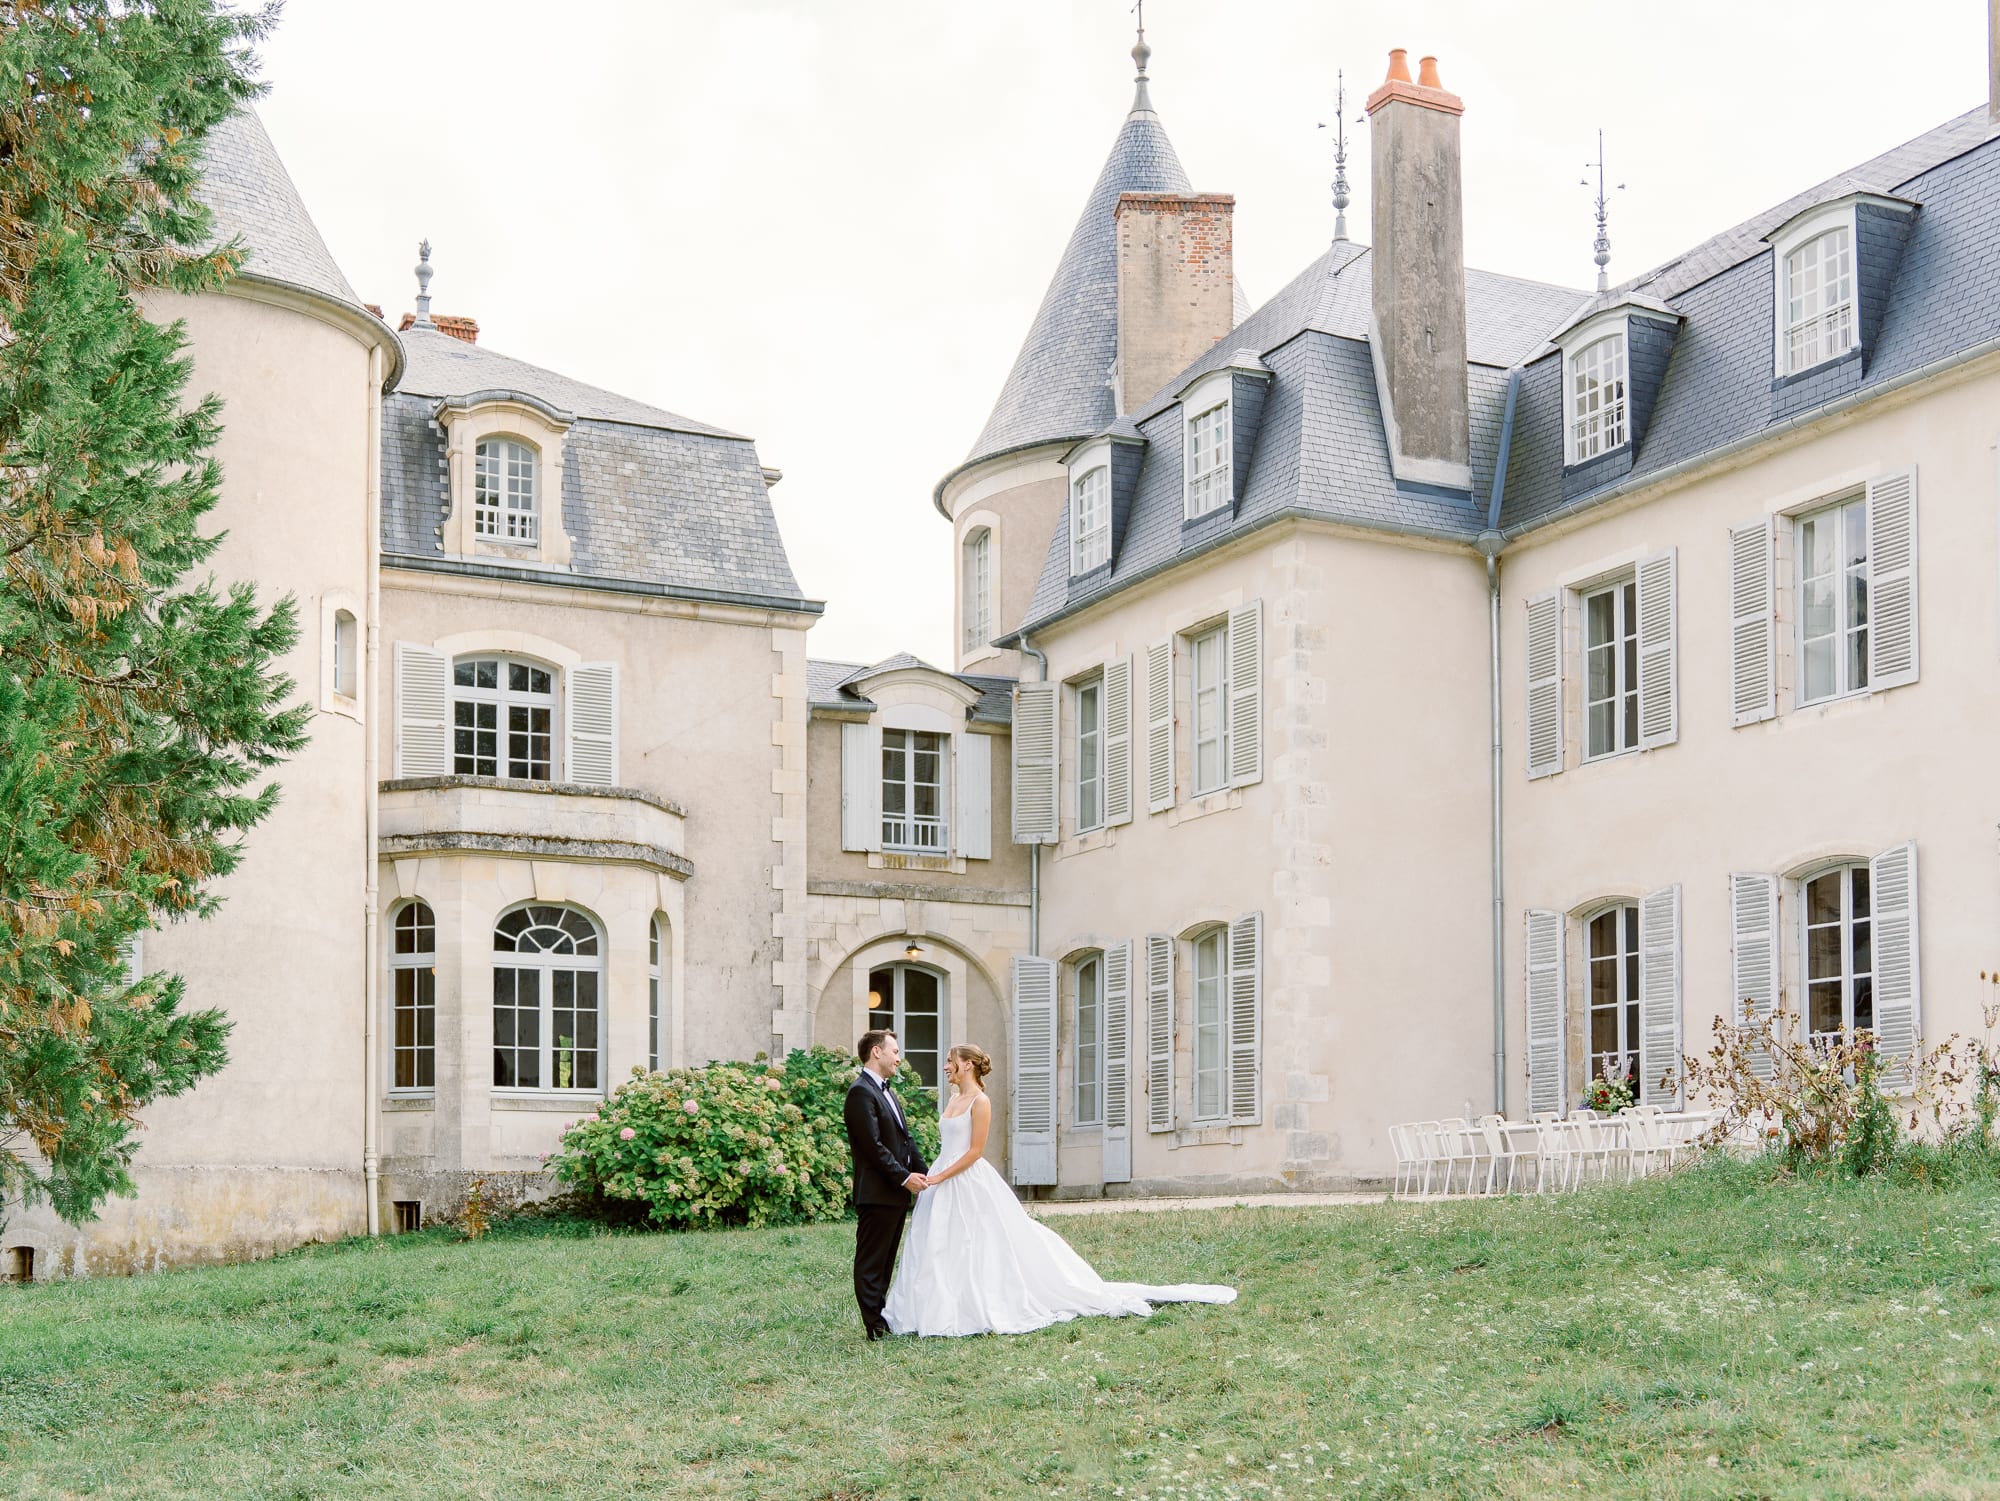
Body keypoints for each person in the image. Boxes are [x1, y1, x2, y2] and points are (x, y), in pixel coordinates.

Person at [882, 1043, 1236, 1338]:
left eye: (950, 1061)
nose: (946, 1067)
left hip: (966, 1179)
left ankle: (987, 1302)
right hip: (942, 1177)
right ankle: (943, 1304)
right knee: (942, 1244)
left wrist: (941, 1178)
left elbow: (975, 1152)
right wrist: (933, 1176)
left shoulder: (980, 1102)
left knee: (982, 1241)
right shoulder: (952, 1100)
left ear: (968, 1064)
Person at [843, 1028, 929, 1342]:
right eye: (894, 1051)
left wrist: (926, 1174)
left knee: (885, 1261)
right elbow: (873, 1147)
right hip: (876, 1193)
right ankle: (874, 1326)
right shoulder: (860, 1092)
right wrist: (904, 1177)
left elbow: (906, 1140)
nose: (898, 1058)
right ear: (876, 1052)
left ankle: (881, 1318)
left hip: (893, 1195)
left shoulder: (887, 1092)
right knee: (871, 1261)